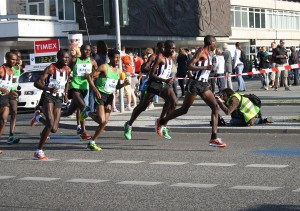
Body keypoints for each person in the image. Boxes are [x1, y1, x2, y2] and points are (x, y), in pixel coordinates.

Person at [156, 35, 226, 148]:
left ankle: (214, 138)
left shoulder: (209, 54)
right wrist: (205, 68)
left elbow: (205, 70)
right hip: (195, 84)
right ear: (210, 42)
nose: (216, 45)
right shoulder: (201, 51)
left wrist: (206, 77)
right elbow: (189, 66)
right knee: (184, 109)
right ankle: (162, 121)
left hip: (203, 84)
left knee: (215, 107)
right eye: (215, 42)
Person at [124, 40, 177, 140]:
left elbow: (168, 70)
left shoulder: (171, 57)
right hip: (153, 84)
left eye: (174, 49)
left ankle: (161, 122)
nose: (172, 51)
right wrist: (145, 67)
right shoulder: (156, 57)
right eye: (171, 49)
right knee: (143, 106)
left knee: (173, 102)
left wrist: (171, 78)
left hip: (164, 84)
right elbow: (150, 73)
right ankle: (129, 124)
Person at [80, 49, 129, 151]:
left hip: (109, 97)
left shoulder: (118, 71)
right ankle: (88, 111)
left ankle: (92, 142)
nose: (117, 60)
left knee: (104, 122)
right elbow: (90, 78)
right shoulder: (104, 67)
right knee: (101, 120)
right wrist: (96, 90)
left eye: (119, 58)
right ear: (110, 57)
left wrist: (124, 84)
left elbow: (115, 86)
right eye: (115, 57)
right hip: (100, 95)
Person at [32, 50, 71, 160]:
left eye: (68, 58)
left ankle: (38, 117)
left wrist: (66, 94)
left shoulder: (68, 69)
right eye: (64, 58)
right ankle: (38, 151)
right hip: (48, 96)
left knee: (54, 129)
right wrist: (49, 88)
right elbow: (37, 83)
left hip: (58, 97)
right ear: (58, 58)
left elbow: (67, 82)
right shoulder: (51, 68)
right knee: (49, 123)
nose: (67, 60)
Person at [61, 44, 98, 140]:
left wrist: (91, 76)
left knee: (68, 112)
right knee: (83, 107)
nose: (87, 52)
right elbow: (65, 70)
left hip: (85, 88)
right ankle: (83, 131)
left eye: (89, 50)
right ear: (81, 50)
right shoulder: (75, 60)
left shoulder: (92, 61)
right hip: (75, 87)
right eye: (85, 50)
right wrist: (65, 90)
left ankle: (52, 118)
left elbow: (97, 74)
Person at [0, 52, 19, 154]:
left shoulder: (12, 72)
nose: (14, 61)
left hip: (5, 97)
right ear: (6, 59)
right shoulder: (1, 69)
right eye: (12, 59)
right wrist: (1, 88)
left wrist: (12, 92)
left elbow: (8, 86)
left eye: (15, 59)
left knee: (3, 119)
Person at [7, 50, 22, 144]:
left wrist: (17, 87)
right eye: (17, 57)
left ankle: (11, 135)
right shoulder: (6, 68)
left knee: (14, 112)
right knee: (3, 116)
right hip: (4, 92)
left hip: (13, 93)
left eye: (20, 57)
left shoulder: (18, 67)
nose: (19, 59)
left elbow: (15, 81)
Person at [121, 46, 137, 111]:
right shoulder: (129, 58)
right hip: (129, 75)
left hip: (123, 74)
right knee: (129, 91)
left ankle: (115, 106)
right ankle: (129, 105)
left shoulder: (121, 56)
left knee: (121, 91)